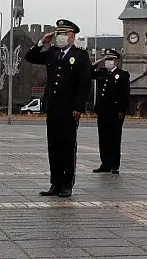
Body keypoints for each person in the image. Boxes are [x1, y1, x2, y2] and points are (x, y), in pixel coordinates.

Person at [25, 19, 92, 198]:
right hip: (53, 107)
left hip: (69, 108)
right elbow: (29, 57)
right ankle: (55, 183)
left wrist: (78, 107)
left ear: (72, 36)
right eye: (58, 34)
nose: (60, 37)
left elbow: (84, 84)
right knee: (53, 146)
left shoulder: (80, 55)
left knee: (68, 146)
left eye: (63, 34)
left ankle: (66, 184)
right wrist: (42, 43)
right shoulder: (52, 53)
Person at [90, 49, 130, 174]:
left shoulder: (122, 74)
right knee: (103, 138)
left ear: (116, 61)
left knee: (114, 138)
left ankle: (114, 164)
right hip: (103, 111)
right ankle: (105, 163)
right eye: (106, 59)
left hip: (115, 112)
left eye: (110, 59)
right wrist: (96, 63)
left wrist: (121, 111)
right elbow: (88, 73)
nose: (108, 62)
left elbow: (125, 94)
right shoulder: (102, 73)